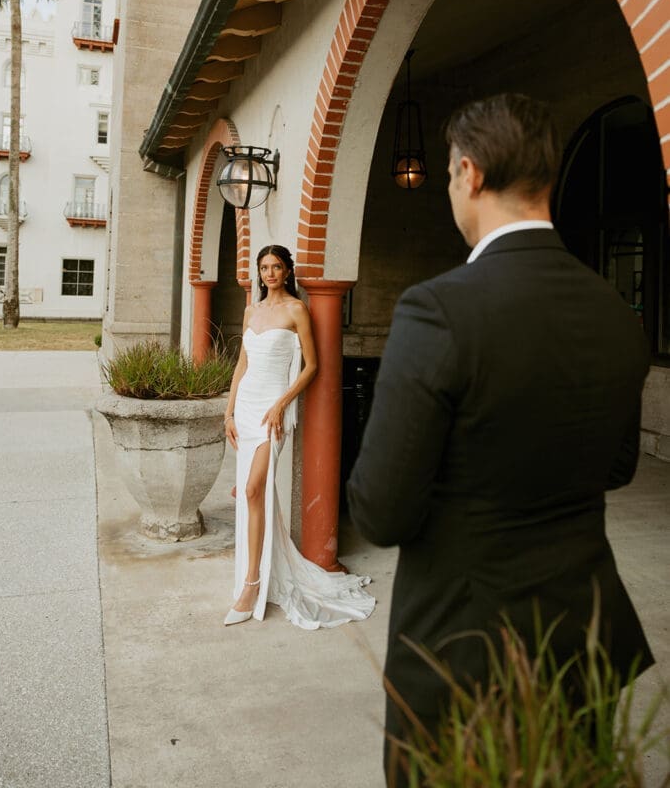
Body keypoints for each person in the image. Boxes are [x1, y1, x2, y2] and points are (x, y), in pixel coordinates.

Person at [346, 92, 653, 784]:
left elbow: (381, 510)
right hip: (581, 634)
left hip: (464, 648)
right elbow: (616, 464)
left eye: (452, 178)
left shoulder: (438, 308)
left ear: (468, 173)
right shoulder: (615, 313)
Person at [224, 244, 375, 629]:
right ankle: (255, 573)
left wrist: (281, 403)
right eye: (264, 267)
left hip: (273, 412)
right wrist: (228, 410)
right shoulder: (251, 310)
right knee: (250, 493)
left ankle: (252, 585)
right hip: (245, 407)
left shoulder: (296, 309)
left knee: (255, 489)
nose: (269, 273)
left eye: (276, 267)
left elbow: (312, 366)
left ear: (288, 272)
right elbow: (243, 362)